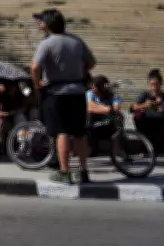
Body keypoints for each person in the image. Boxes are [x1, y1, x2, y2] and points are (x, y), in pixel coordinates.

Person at [31, 9, 96, 184]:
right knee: (79, 133)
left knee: (62, 132)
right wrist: (80, 72)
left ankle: (64, 171)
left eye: (41, 21)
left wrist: (37, 84)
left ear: (47, 24)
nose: (39, 23)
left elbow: (35, 67)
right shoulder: (76, 41)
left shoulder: (46, 43)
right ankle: (83, 171)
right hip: (78, 92)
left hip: (57, 93)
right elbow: (91, 62)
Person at [131, 69, 164, 158]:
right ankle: (144, 145)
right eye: (152, 85)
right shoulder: (145, 95)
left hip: (162, 126)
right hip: (147, 125)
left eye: (157, 84)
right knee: (138, 115)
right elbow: (132, 107)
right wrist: (144, 105)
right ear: (149, 84)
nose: (154, 87)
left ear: (161, 83)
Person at [86, 75, 122, 155]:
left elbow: (116, 109)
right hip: (93, 124)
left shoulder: (114, 96)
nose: (92, 89)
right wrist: (108, 109)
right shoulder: (90, 93)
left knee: (119, 117)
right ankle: (92, 149)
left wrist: (99, 108)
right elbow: (89, 106)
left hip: (108, 124)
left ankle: (118, 150)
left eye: (94, 87)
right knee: (89, 116)